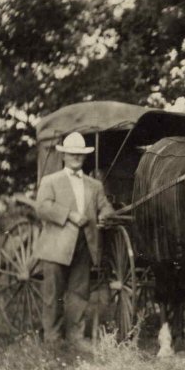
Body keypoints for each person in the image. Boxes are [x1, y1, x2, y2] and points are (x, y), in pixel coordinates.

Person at [35, 131, 114, 347]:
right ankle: (52, 339)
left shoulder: (94, 185)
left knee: (79, 293)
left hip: (85, 244)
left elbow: (104, 205)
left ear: (85, 157)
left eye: (80, 154)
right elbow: (42, 207)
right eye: (72, 154)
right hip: (56, 246)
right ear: (63, 156)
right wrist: (69, 215)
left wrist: (106, 215)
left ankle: (76, 337)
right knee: (54, 295)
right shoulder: (50, 181)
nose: (76, 157)